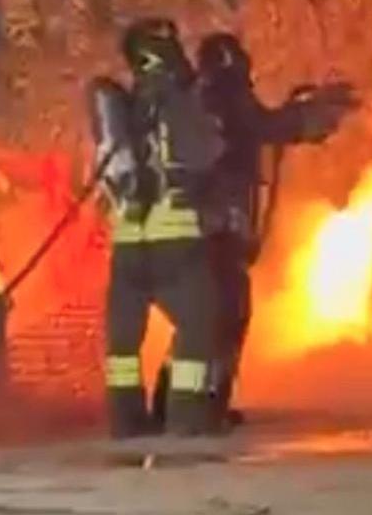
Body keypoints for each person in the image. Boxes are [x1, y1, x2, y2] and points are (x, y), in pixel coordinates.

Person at [149, 32, 355, 429]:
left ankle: (180, 404)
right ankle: (199, 406)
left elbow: (268, 125)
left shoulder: (198, 103)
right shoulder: (224, 100)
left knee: (208, 318)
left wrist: (314, 108)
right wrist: (323, 110)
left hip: (200, 233)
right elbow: (272, 125)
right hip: (213, 234)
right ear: (232, 66)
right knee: (225, 316)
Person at [87, 18, 224, 438]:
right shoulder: (180, 103)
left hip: (129, 246)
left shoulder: (121, 108)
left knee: (123, 346)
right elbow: (207, 152)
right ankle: (186, 419)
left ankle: (126, 424)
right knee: (201, 325)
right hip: (176, 239)